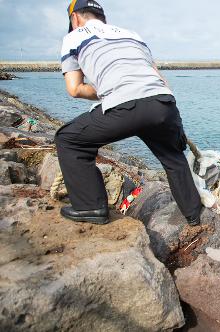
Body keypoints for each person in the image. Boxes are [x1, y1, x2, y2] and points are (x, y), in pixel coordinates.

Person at [55, 0, 202, 225]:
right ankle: (194, 217)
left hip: (125, 108)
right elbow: (159, 79)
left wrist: (107, 92)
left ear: (75, 18)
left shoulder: (74, 36)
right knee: (173, 158)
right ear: (102, 16)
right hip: (163, 103)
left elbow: (74, 89)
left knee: (69, 139)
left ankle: (91, 207)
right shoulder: (132, 35)